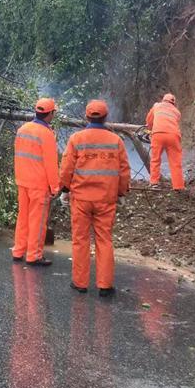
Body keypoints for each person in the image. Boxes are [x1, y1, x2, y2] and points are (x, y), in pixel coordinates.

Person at [60, 100, 130, 295]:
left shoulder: (76, 139)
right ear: (106, 117)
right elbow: (124, 170)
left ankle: (80, 283)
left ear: (86, 116)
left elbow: (66, 168)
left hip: (81, 199)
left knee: (80, 240)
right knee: (104, 240)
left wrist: (65, 190)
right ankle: (105, 286)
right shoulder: (116, 141)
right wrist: (121, 193)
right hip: (106, 199)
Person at [13, 98, 60, 266]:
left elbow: (18, 155)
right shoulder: (46, 134)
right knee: (37, 222)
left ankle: (18, 251)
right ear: (50, 113)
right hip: (38, 185)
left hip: (22, 181)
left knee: (23, 218)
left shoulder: (22, 129)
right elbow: (51, 164)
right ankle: (34, 255)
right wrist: (55, 187)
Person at [145, 93, 185, 190]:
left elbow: (149, 120)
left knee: (155, 159)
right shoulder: (177, 112)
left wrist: (150, 129)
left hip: (158, 134)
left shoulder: (157, 106)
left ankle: (154, 183)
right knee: (175, 162)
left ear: (163, 100)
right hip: (173, 136)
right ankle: (178, 186)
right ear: (173, 103)